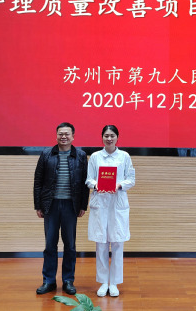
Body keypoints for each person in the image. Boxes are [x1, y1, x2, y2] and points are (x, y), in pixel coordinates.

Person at [33, 122, 89, 295]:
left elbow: (85, 183)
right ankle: (48, 281)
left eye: (67, 134)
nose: (63, 136)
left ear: (73, 136)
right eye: (60, 134)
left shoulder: (80, 155)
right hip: (51, 205)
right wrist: (38, 205)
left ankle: (68, 280)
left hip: (71, 206)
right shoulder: (46, 154)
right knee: (50, 244)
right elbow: (38, 181)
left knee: (70, 245)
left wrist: (83, 205)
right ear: (56, 135)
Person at [85, 125, 136, 297]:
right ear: (102, 137)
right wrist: (96, 185)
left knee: (117, 243)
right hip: (100, 201)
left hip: (117, 202)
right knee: (101, 244)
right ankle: (102, 282)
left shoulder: (124, 156)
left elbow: (131, 179)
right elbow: (89, 179)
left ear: (117, 137)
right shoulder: (95, 157)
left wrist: (120, 185)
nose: (109, 138)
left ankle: (113, 282)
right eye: (106, 135)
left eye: (112, 135)